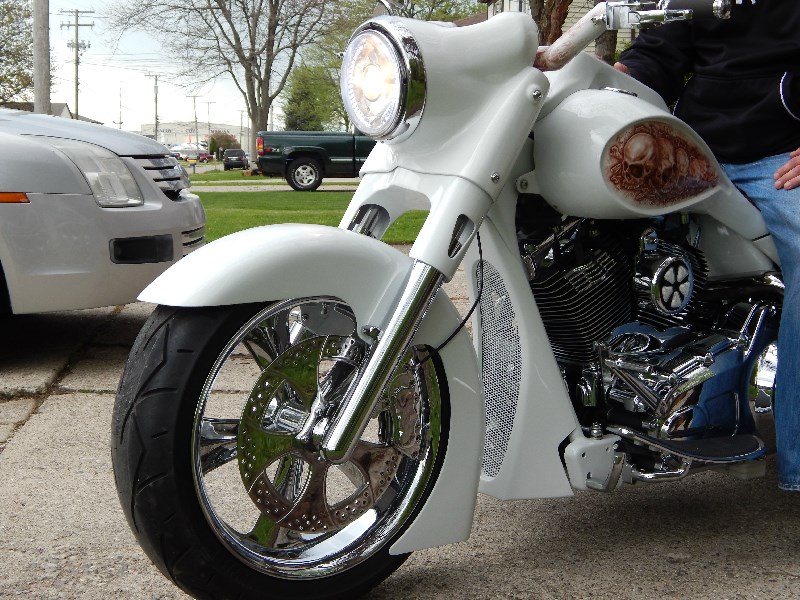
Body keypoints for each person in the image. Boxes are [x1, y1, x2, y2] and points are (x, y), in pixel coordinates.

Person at [613, 0, 800, 491]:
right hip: (694, 148)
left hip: (782, 155)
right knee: (596, 236)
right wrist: (617, 79)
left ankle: (798, 460)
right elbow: (660, 49)